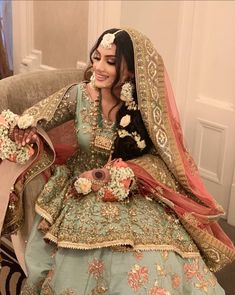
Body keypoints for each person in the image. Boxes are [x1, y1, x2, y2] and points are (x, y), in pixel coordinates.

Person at [1, 28, 235, 295]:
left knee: (157, 250)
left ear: (131, 71)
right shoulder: (78, 95)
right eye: (97, 57)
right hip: (81, 186)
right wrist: (25, 130)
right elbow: (34, 117)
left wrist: (124, 173)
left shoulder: (140, 103)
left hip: (128, 188)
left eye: (110, 62)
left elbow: (158, 154)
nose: (98, 67)